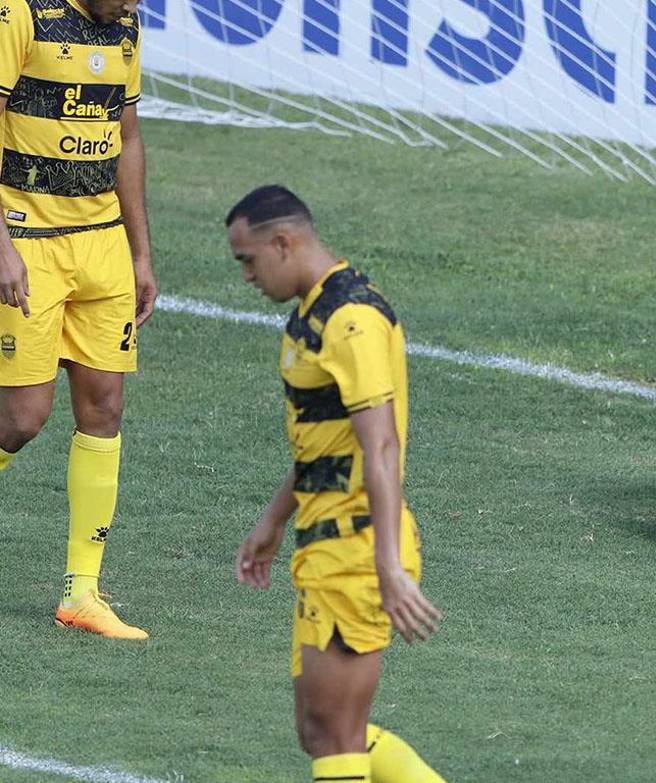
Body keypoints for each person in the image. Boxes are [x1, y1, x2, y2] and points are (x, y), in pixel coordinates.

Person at [229, 186, 445, 783]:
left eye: (248, 259)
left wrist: (386, 565)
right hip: (325, 542)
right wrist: (274, 519)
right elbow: (323, 441)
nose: (246, 274)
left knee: (338, 735)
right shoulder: (313, 314)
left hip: (357, 546)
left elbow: (380, 444)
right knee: (319, 729)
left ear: (283, 242)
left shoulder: (352, 320)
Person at [0, 0, 156, 638]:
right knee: (22, 420)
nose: (138, 2)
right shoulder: (20, 16)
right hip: (28, 241)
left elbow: (129, 137)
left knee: (105, 408)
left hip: (103, 245)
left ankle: (81, 594)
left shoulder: (125, 27)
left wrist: (141, 252)